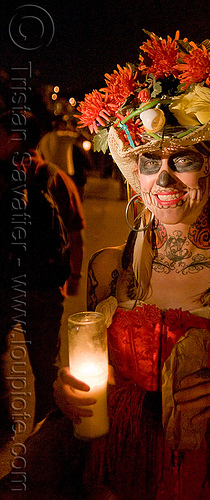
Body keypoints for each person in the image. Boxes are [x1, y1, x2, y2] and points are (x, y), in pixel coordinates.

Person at [1, 32, 210, 499]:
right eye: (147, 161)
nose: (162, 178)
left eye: (181, 158)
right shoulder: (108, 271)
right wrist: (67, 392)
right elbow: (93, 374)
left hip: (204, 483)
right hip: (108, 479)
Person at [0, 111, 85, 437]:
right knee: (45, 365)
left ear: (13, 138)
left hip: (5, 285)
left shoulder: (1, 177)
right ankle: (45, 437)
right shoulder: (55, 177)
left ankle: (4, 421)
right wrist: (73, 277)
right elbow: (76, 231)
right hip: (45, 288)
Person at [38, 115, 90, 200]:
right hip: (63, 172)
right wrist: (72, 129)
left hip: (49, 172)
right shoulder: (63, 135)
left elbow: (40, 154)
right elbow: (81, 137)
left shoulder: (45, 138)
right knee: (66, 199)